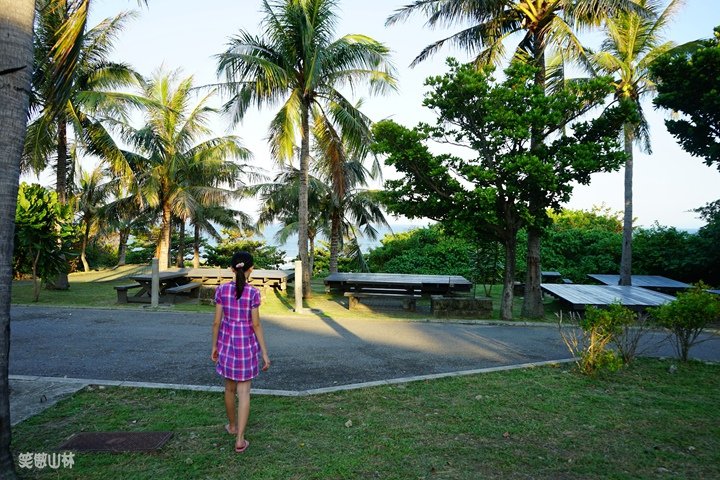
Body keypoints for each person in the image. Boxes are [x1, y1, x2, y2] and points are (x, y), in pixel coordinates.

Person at [211, 251, 270, 453]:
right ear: (250, 269)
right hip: (246, 348)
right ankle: (240, 439)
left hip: (226, 345)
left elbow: (216, 322)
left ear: (231, 269)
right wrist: (264, 353)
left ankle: (233, 426)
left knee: (229, 389)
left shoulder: (221, 290)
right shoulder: (253, 293)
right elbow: (256, 324)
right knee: (244, 393)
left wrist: (214, 346)